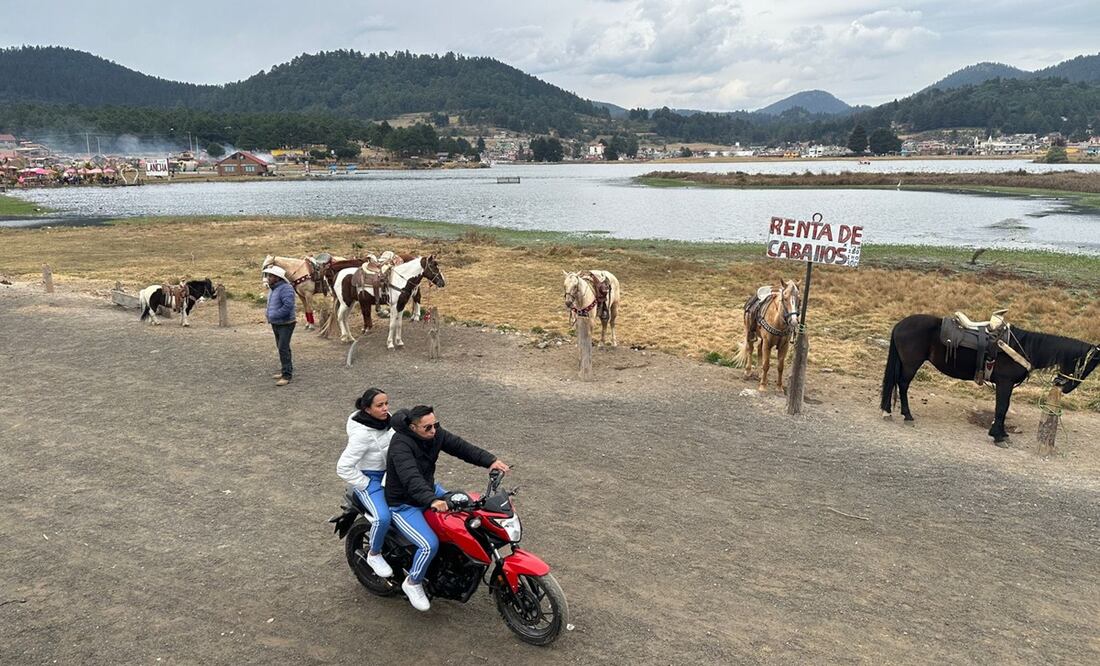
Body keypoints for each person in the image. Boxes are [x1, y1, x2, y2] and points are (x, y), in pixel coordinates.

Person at [385, 405, 509, 611]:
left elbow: (460, 447)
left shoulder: (434, 434)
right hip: (404, 503)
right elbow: (410, 478)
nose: (434, 431)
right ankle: (413, 582)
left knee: (466, 514)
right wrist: (432, 500)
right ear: (413, 427)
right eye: (427, 428)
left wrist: (491, 461)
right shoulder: (400, 445)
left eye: (436, 425)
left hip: (428, 490)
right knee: (428, 545)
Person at [336, 388, 395, 578]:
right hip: (371, 478)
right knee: (382, 517)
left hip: (392, 473)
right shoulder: (362, 435)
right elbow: (343, 467)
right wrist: (366, 483)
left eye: (386, 403)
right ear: (367, 409)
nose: (386, 408)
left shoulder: (388, 420)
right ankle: (374, 553)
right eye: (380, 405)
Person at [263, 265, 296, 386]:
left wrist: (274, 315)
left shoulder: (285, 289)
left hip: (285, 323)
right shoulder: (274, 288)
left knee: (283, 347)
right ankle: (285, 370)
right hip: (277, 322)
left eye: (270, 276)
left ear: (277, 278)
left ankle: (287, 375)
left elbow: (288, 306)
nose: (268, 278)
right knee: (282, 347)